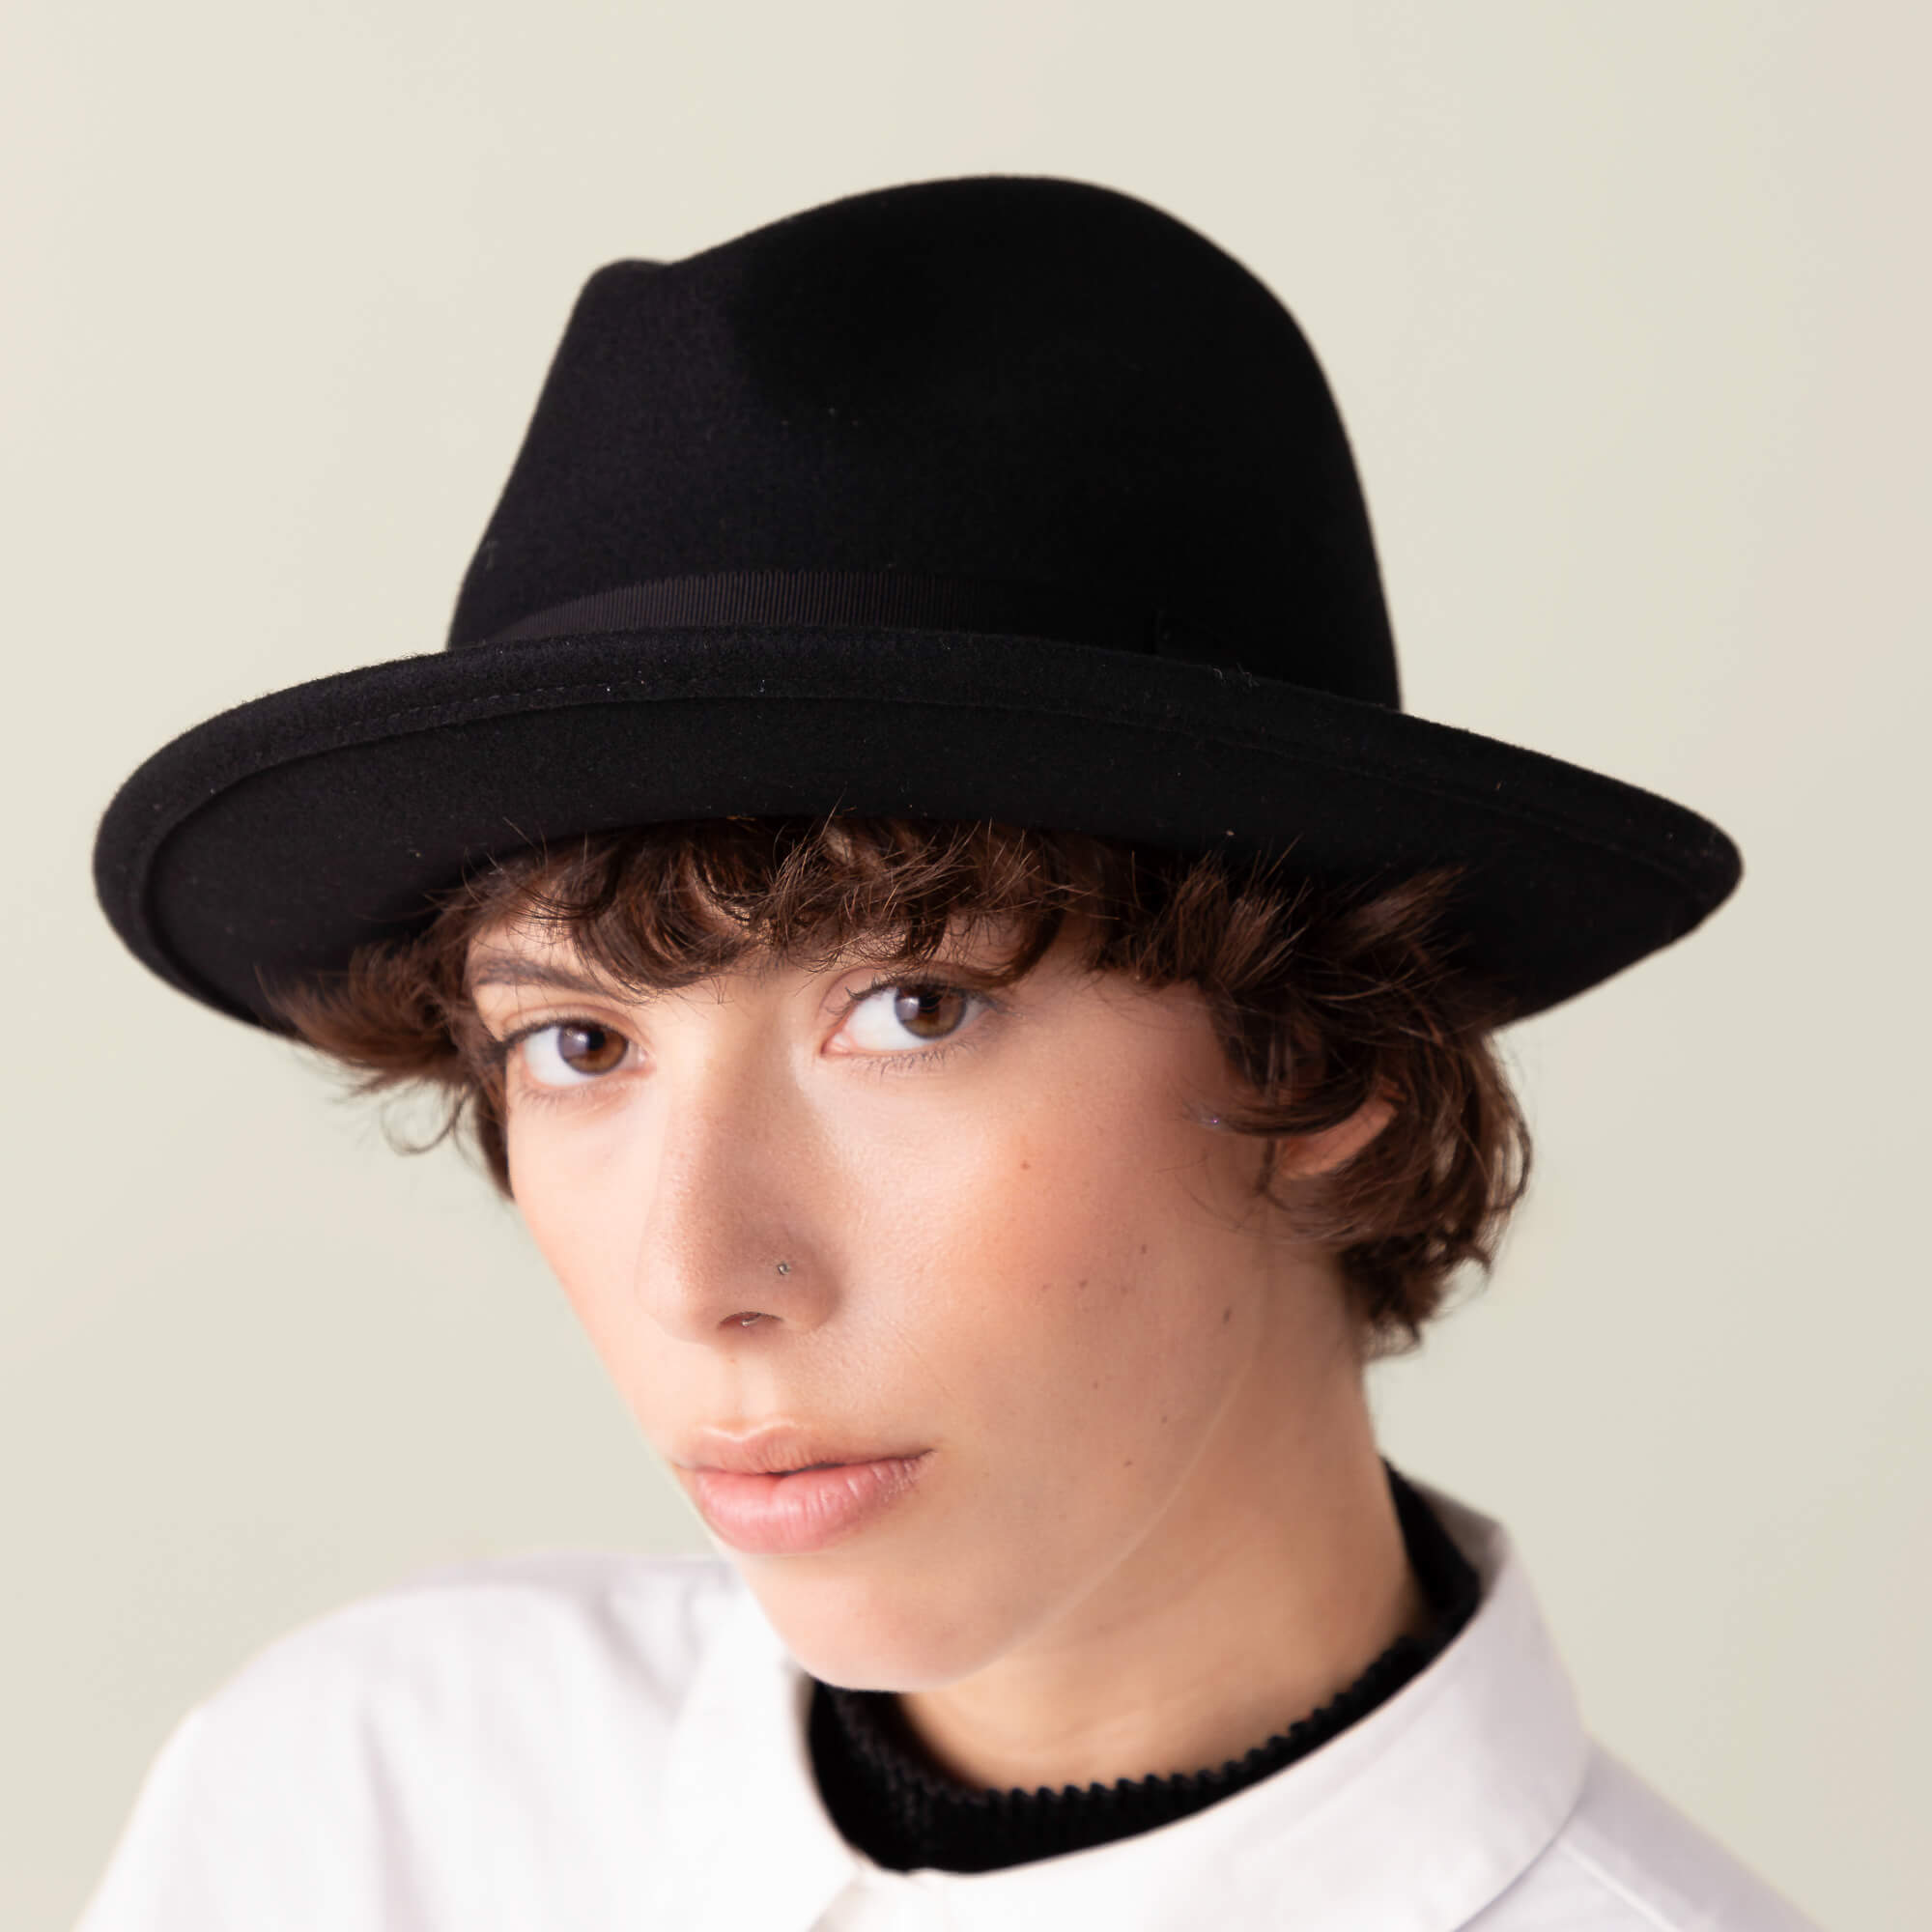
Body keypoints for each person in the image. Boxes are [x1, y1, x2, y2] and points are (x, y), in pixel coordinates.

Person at [80, 175, 1819, 1929]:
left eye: (916, 1009)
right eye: (582, 1042)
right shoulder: (360, 1807)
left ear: (1327, 1057)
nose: (701, 1274)